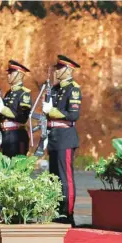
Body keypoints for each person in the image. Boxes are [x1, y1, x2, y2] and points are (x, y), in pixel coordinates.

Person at [42, 55, 82, 226]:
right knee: (53, 177)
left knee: (65, 178)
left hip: (65, 137)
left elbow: (73, 115)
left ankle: (67, 213)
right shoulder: (55, 88)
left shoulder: (73, 89)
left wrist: (52, 111)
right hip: (53, 136)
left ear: (69, 70)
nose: (57, 71)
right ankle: (56, 210)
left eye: (60, 68)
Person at [0, 60, 32, 157]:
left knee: (16, 168)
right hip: (6, 135)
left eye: (11, 73)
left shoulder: (24, 93)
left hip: (17, 135)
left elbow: (23, 117)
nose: (8, 75)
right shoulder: (8, 93)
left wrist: (3, 110)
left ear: (19, 75)